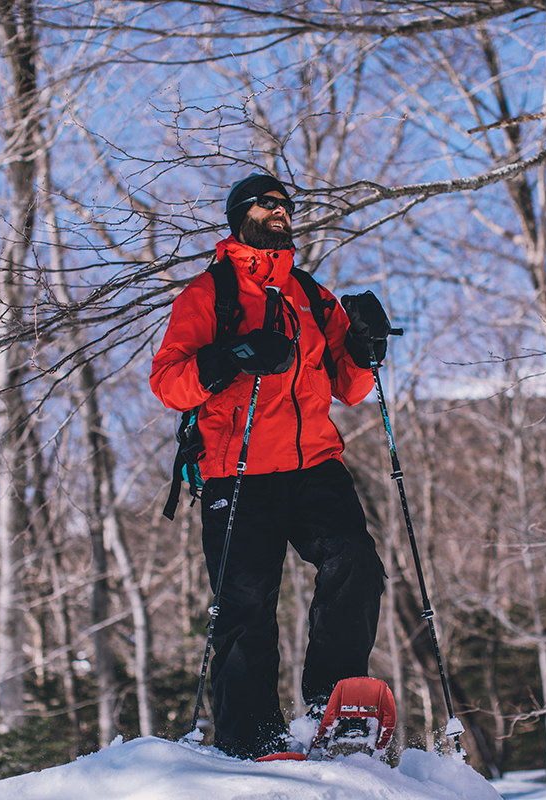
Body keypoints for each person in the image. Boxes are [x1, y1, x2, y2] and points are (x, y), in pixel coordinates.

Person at [150, 173, 393, 760]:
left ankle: (334, 708)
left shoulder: (311, 296)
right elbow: (168, 383)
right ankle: (250, 735)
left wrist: (366, 347)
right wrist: (231, 354)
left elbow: (351, 387)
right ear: (241, 216)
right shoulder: (209, 295)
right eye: (268, 203)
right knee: (246, 602)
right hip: (237, 469)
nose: (282, 211)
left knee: (354, 562)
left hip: (314, 463)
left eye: (288, 205)